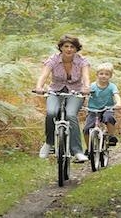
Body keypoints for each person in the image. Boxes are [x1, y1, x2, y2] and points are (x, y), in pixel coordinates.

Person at [34, 34, 90, 162]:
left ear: (76, 49)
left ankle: (77, 151)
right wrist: (39, 87)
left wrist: (86, 87)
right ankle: (49, 143)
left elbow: (86, 77)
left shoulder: (82, 61)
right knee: (51, 113)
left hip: (76, 92)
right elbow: (43, 75)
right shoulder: (53, 60)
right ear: (61, 48)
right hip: (55, 91)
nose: (69, 49)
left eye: (72, 47)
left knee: (70, 115)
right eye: (66, 46)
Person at [83, 62, 121, 151]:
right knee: (86, 129)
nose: (103, 76)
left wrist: (118, 103)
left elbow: (116, 95)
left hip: (107, 109)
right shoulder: (92, 86)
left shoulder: (112, 86)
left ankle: (111, 136)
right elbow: (85, 95)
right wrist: (82, 103)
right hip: (93, 110)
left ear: (110, 76)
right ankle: (88, 149)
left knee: (109, 117)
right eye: (101, 74)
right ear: (97, 75)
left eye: (106, 74)